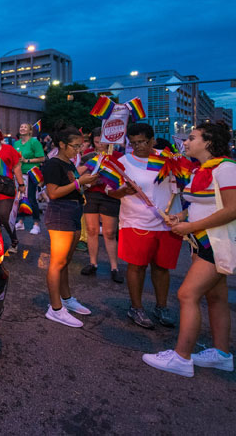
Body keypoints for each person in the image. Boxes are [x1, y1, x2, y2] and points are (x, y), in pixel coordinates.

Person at [143, 122, 236, 377]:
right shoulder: (200, 170)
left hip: (217, 242)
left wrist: (190, 226)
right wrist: (181, 217)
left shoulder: (226, 169)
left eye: (191, 138)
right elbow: (202, 203)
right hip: (204, 241)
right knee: (215, 298)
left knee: (186, 295)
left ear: (208, 142)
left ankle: (182, 358)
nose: (185, 142)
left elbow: (232, 209)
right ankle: (222, 354)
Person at [108, 123, 182, 329]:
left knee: (161, 268)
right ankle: (136, 308)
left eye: (141, 142)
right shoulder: (123, 162)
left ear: (152, 140)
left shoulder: (169, 158)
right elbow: (109, 190)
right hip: (136, 222)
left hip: (167, 222)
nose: (137, 146)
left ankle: (161, 307)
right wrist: (123, 192)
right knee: (137, 266)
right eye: (132, 143)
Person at [41, 121, 99, 327]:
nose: (79, 150)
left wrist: (84, 184)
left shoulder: (69, 164)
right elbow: (53, 193)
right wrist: (79, 183)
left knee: (65, 261)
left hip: (74, 211)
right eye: (75, 146)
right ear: (63, 144)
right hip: (60, 213)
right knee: (57, 262)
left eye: (80, 146)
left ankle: (66, 299)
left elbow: (73, 187)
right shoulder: (53, 164)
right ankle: (55, 308)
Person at [79, 127, 123, 283]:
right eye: (96, 142)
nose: (99, 145)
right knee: (91, 230)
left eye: (102, 142)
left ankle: (114, 267)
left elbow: (122, 177)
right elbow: (79, 172)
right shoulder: (89, 155)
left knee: (110, 232)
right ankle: (93, 262)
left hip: (109, 196)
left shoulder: (117, 156)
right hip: (91, 194)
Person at [14, 122, 46, 235]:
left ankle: (36, 224)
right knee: (20, 199)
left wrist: (27, 161)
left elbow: (42, 158)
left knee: (31, 199)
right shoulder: (16, 143)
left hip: (31, 174)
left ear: (30, 131)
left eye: (25, 127)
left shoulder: (34, 142)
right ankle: (21, 222)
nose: (22, 128)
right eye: (21, 126)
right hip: (19, 175)